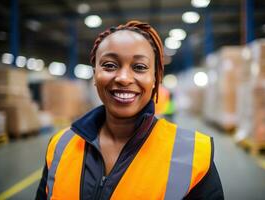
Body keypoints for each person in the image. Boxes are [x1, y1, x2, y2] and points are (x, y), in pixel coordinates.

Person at [36, 20, 224, 200]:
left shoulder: (194, 155)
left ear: (155, 79)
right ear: (95, 74)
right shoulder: (60, 145)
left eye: (139, 67)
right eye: (109, 65)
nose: (124, 78)